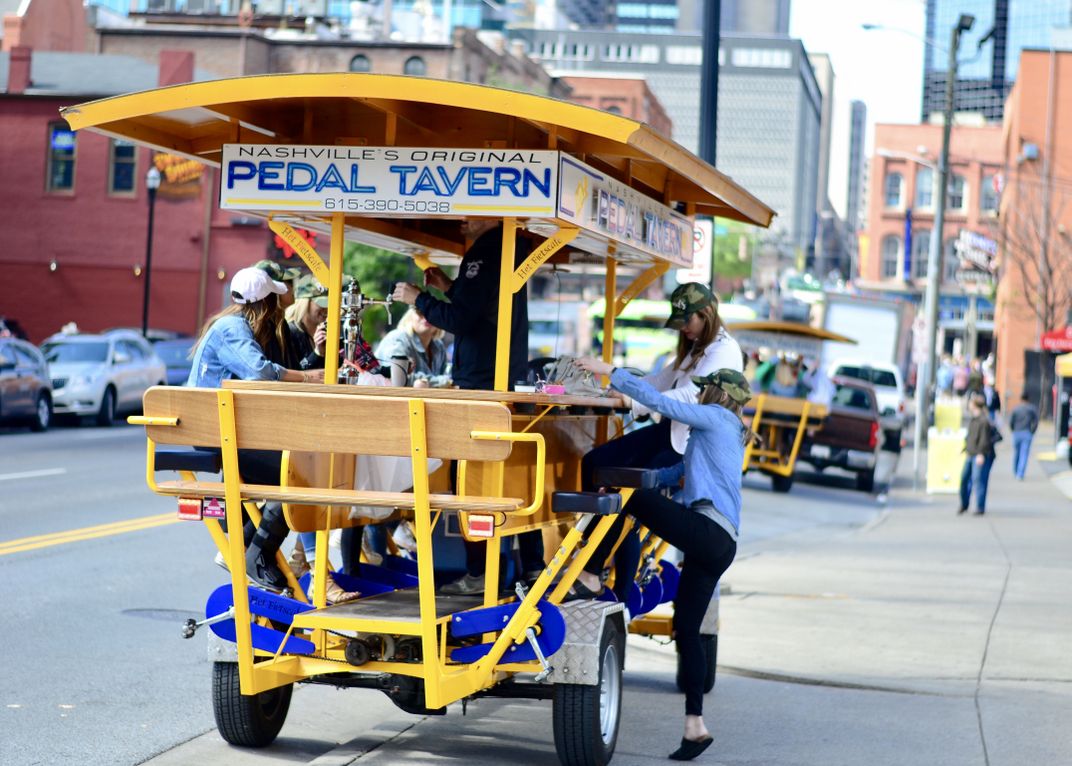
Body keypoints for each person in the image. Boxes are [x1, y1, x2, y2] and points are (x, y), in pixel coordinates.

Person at [575, 357, 752, 761]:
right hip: (721, 544)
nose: (700, 393)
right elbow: (676, 474)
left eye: (705, 388)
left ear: (717, 394)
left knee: (630, 498)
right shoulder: (725, 432)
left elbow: (660, 403)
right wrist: (643, 477)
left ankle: (592, 573)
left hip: (708, 532)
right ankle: (695, 727)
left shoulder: (716, 418)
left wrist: (610, 372)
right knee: (686, 630)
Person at [392, 218, 542, 594]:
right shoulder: (509, 250)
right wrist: (449, 286)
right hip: (500, 381)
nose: (463, 216)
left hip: (479, 385)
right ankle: (531, 566)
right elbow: (483, 305)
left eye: (474, 210)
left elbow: (462, 319)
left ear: (494, 214)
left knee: (469, 481)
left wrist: (418, 299)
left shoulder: (485, 252)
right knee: (508, 479)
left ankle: (479, 573)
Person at [577, 282, 743, 603]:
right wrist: (619, 389)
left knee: (623, 491)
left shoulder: (724, 350)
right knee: (598, 465)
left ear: (706, 314)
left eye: (687, 321)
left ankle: (597, 571)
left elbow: (689, 397)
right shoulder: (697, 347)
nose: (683, 330)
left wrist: (630, 396)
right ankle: (594, 558)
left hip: (682, 443)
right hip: (668, 433)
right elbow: (661, 381)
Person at [187, 267, 325, 590]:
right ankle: (256, 553)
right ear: (266, 303)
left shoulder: (236, 326)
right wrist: (306, 376)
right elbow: (259, 372)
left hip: (223, 429)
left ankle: (243, 546)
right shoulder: (231, 328)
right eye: (275, 298)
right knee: (299, 472)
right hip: (214, 433)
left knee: (300, 465)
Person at [375, 306, 451, 388]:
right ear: (410, 315)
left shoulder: (439, 345)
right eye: (420, 312)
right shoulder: (397, 338)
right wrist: (443, 382)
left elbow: (447, 375)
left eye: (432, 312)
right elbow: (399, 378)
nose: (426, 316)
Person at [958, 394, 995, 516]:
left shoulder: (983, 421)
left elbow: (984, 439)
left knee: (978, 480)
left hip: (979, 455)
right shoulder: (974, 419)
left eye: (970, 403)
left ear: (974, 405)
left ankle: (980, 506)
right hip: (970, 453)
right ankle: (964, 503)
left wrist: (981, 454)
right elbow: (971, 437)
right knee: (964, 479)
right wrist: (965, 448)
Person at [1008, 392, 1039, 480]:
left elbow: (1011, 421)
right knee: (1024, 454)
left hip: (1017, 433)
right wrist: (1032, 431)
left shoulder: (1016, 409)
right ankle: (1020, 474)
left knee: (1017, 453)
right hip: (1027, 432)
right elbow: (1036, 421)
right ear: (1028, 399)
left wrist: (1013, 430)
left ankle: (1015, 471)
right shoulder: (1031, 409)